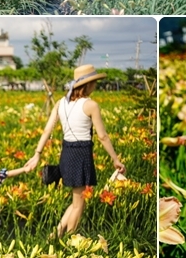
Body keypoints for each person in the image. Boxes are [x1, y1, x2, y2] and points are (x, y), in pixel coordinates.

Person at [25, 64, 126, 237]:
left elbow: (47, 130)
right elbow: (102, 136)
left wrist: (37, 154)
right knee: (80, 204)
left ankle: (55, 234)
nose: (95, 86)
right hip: (81, 154)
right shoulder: (91, 105)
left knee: (76, 200)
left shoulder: (60, 103)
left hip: (66, 153)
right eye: (94, 82)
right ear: (87, 85)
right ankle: (72, 241)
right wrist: (115, 159)